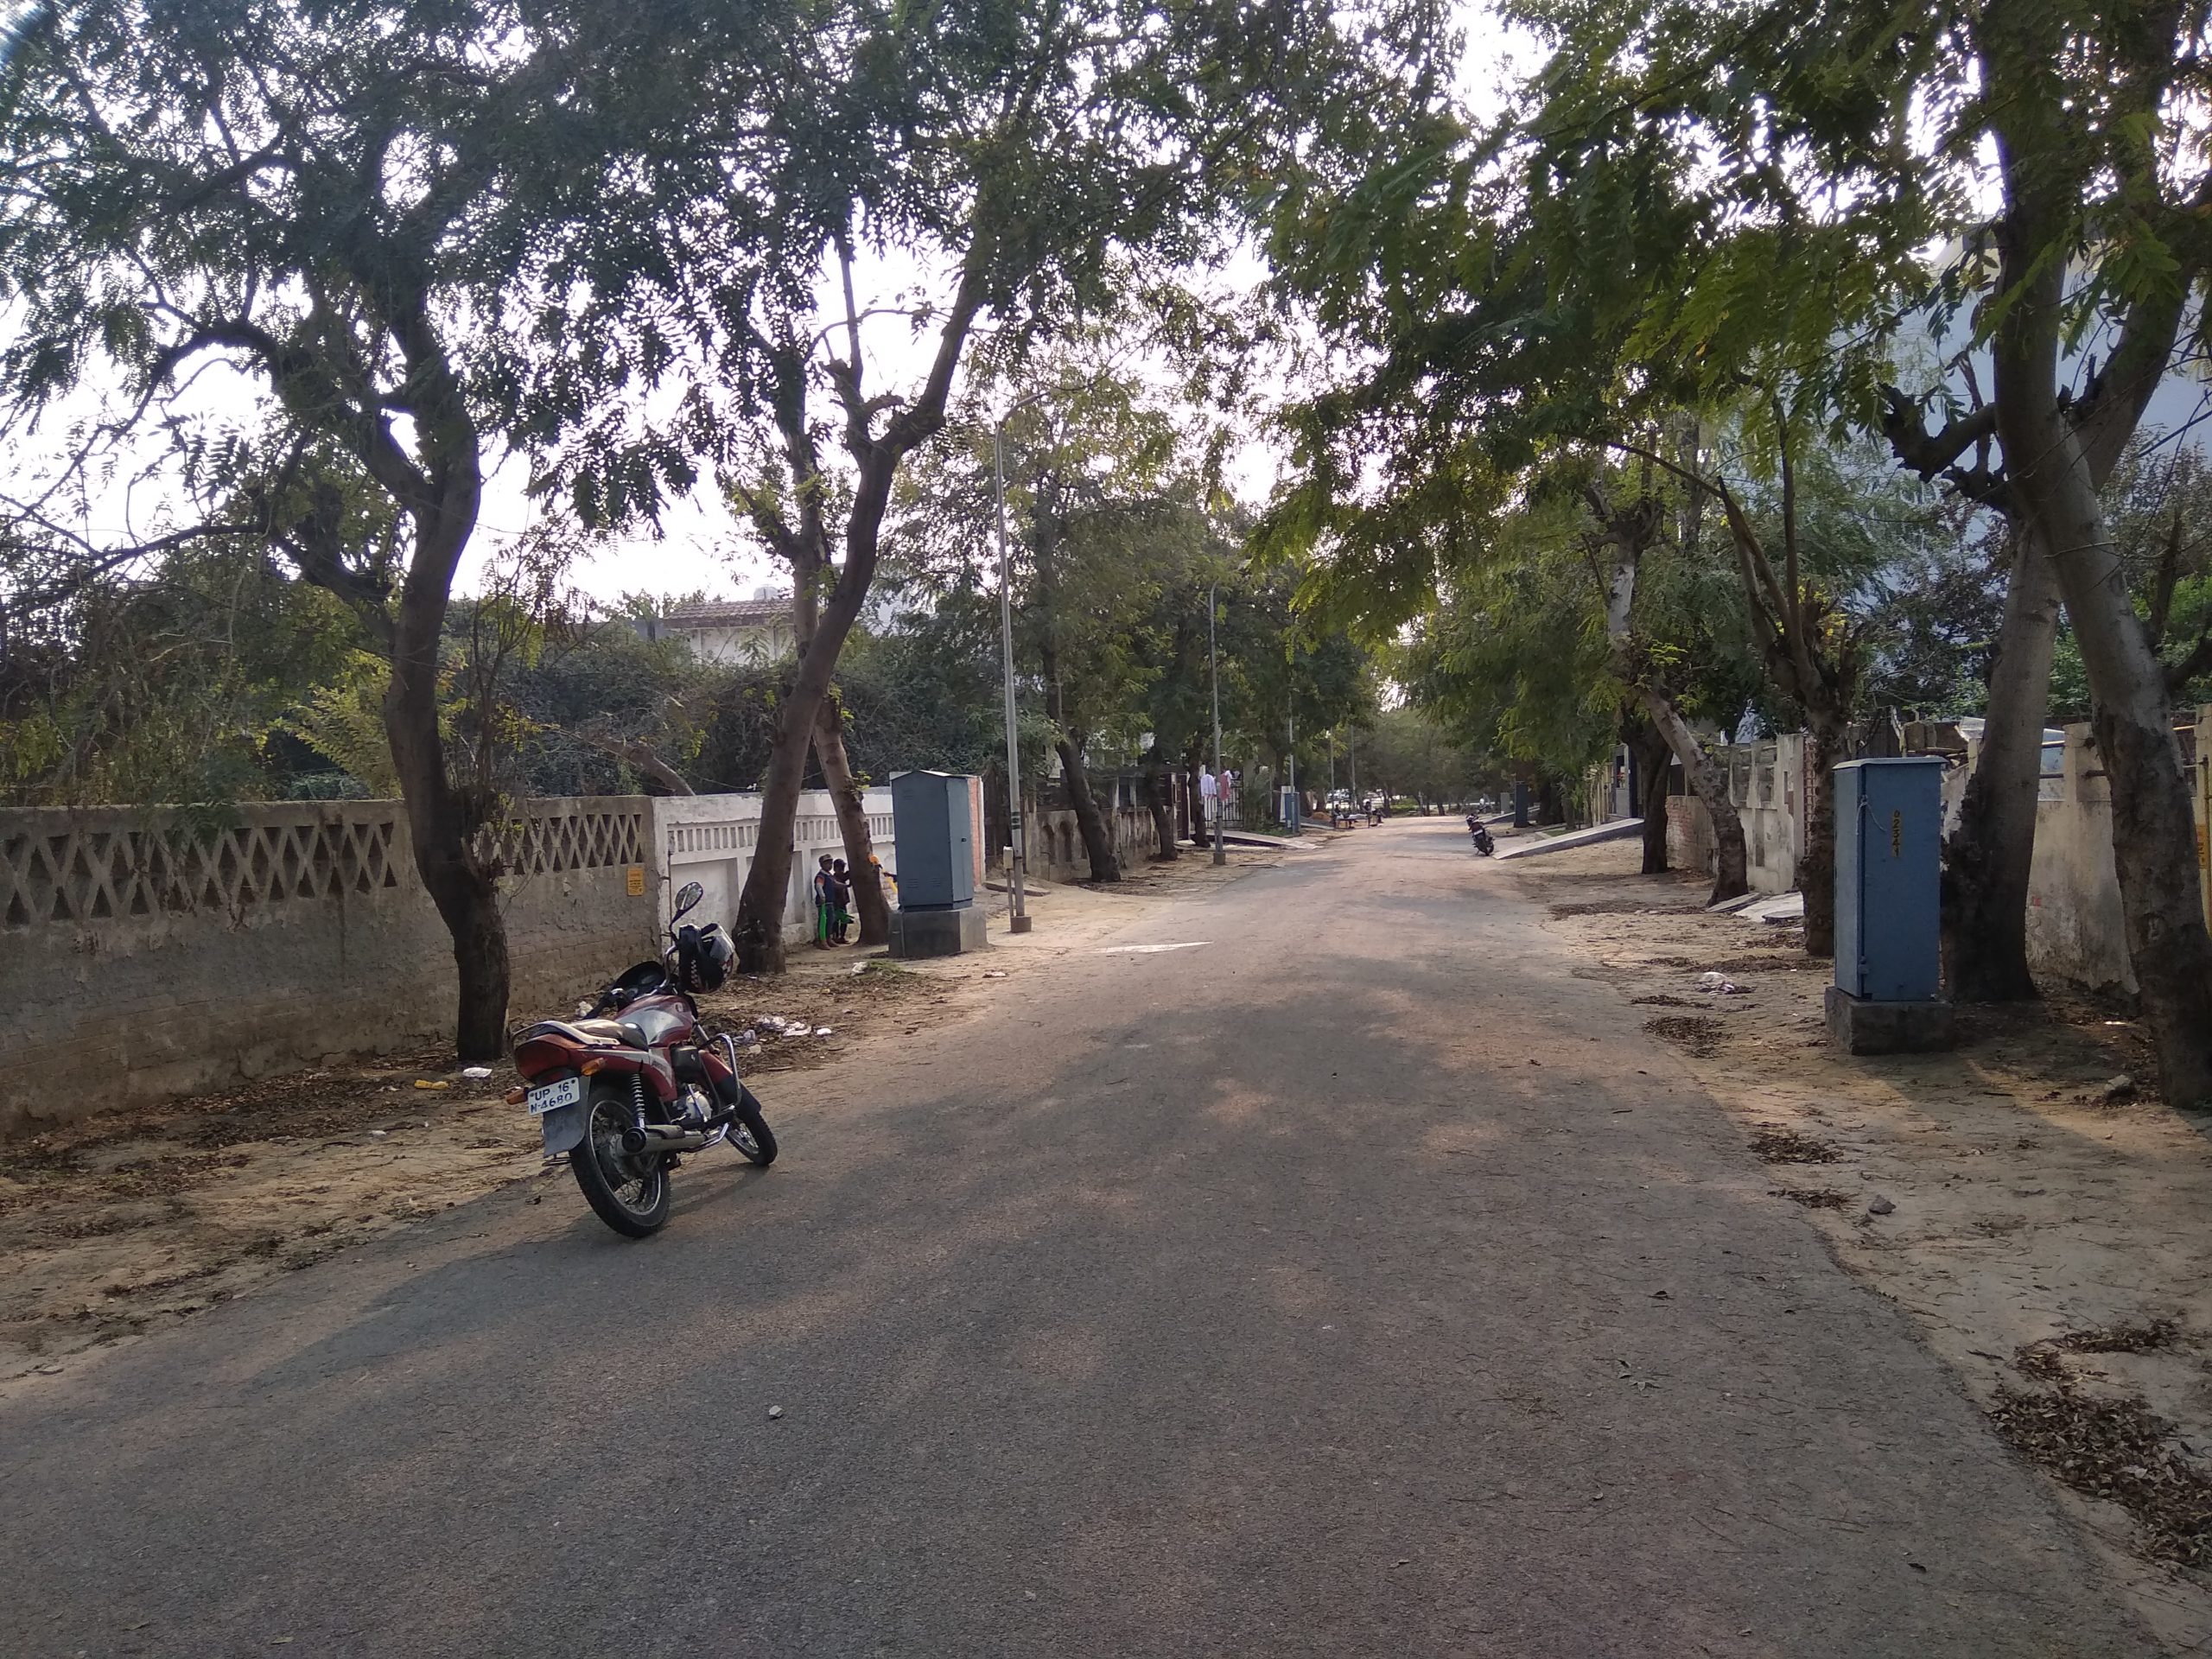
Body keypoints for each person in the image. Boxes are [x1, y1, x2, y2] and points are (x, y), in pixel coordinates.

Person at [811, 854, 836, 949]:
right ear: (821, 864)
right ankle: (822, 941)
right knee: (823, 922)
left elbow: (835, 884)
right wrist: (822, 896)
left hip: (830, 902)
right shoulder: (821, 875)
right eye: (827, 863)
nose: (830, 865)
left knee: (831, 920)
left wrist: (845, 886)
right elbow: (818, 886)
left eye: (830, 863)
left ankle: (829, 938)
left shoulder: (829, 875)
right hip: (823, 902)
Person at [830, 858, 855, 945]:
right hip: (836, 902)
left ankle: (842, 937)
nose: (841, 871)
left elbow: (849, 875)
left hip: (842, 902)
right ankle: (836, 937)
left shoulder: (841, 877)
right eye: (840, 869)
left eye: (842, 869)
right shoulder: (834, 878)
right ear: (835, 869)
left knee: (844, 920)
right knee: (836, 920)